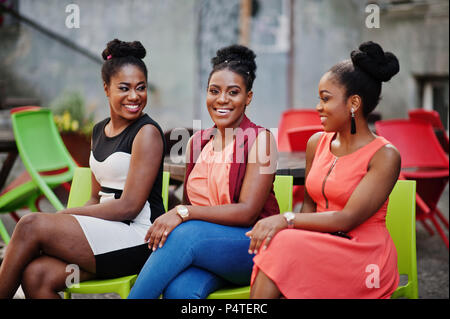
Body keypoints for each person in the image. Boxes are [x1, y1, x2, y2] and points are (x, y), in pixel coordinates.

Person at [0, 39, 166, 299]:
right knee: (36, 276)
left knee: (31, 224)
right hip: (106, 237)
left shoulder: (146, 133)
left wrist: (65, 216)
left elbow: (129, 206)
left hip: (140, 238)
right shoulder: (99, 131)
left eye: (141, 87)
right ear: (106, 89)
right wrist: (68, 220)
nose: (134, 96)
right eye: (124, 88)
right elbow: (94, 196)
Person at [247, 41, 401, 299]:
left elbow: (347, 219)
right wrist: (288, 233)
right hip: (322, 244)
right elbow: (309, 206)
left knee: (281, 244)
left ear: (353, 103)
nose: (318, 107)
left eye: (325, 99)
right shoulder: (316, 143)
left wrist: (284, 220)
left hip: (363, 256)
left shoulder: (385, 155)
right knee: (279, 245)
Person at [128, 44, 279, 299]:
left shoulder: (260, 140)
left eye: (234, 92)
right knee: (180, 291)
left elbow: (247, 212)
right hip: (208, 250)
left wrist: (182, 212)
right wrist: (185, 213)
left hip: (252, 247)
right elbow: (192, 202)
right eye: (214, 91)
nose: (222, 100)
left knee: (185, 233)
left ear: (248, 97)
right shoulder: (197, 142)